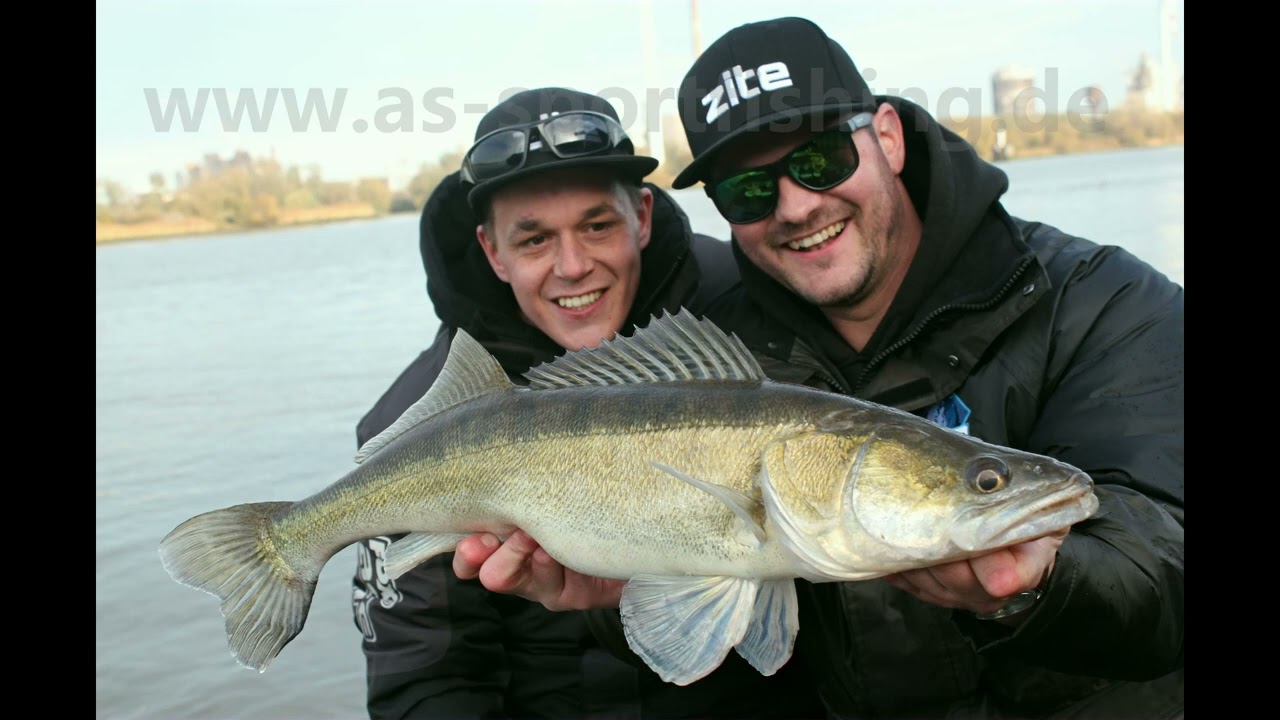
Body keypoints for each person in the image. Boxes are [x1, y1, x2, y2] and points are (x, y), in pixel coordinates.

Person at [451, 18, 1184, 719]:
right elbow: (751, 660)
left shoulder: (1103, 302)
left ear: (888, 137)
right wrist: (631, 587)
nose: (796, 205)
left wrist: (1038, 586)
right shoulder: (729, 357)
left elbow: (1166, 560)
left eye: (820, 158)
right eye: (748, 190)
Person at [349, 86, 819, 719]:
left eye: (597, 226)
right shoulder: (421, 419)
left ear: (643, 217)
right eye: (535, 240)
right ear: (493, 251)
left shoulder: (751, 316)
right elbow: (427, 673)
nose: (572, 267)